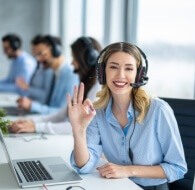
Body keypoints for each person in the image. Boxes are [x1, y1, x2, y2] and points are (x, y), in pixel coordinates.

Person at [66, 42, 187, 189]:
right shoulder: (97, 112)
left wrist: (127, 170)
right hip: (117, 186)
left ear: (139, 74)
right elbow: (83, 166)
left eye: (129, 68)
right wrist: (79, 130)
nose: (120, 75)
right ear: (102, 72)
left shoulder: (158, 110)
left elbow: (177, 168)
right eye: (113, 67)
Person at [8, 36, 102, 134]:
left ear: (89, 59)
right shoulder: (85, 83)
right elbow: (62, 114)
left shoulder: (96, 89)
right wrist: (32, 121)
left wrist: (37, 126)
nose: (72, 63)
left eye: (74, 58)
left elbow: (81, 125)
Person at [16, 35, 79, 114]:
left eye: (41, 54)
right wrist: (31, 104)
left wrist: (32, 106)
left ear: (56, 51)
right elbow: (47, 102)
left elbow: (63, 113)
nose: (38, 59)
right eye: (37, 56)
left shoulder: (71, 76)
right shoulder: (52, 74)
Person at [15, 35, 54, 104]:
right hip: (30, 103)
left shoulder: (48, 69)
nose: (33, 52)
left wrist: (27, 87)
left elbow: (45, 95)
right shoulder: (39, 66)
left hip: (38, 106)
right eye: (32, 49)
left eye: (35, 49)